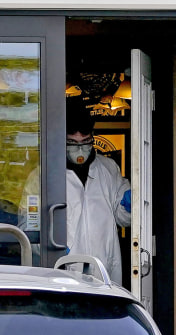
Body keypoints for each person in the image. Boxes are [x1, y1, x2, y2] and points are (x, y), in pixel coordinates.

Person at [64, 100, 131, 284]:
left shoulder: (108, 168)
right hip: (64, 271)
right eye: (72, 142)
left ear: (93, 136)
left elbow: (123, 218)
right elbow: (29, 227)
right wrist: (53, 249)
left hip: (104, 269)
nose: (80, 149)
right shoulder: (45, 174)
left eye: (85, 142)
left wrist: (130, 205)